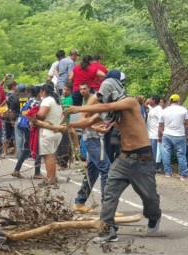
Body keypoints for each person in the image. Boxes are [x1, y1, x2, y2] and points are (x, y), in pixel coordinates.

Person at [64, 75, 162, 243]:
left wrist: (78, 109)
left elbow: (107, 105)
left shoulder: (130, 102)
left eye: (104, 93)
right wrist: (62, 125)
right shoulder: (110, 113)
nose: (102, 97)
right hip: (123, 158)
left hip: (142, 158)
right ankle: (108, 229)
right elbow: (87, 122)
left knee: (149, 198)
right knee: (109, 193)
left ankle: (154, 215)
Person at [71, 85, 111, 214]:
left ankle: (79, 202)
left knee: (93, 171)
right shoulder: (95, 98)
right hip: (92, 138)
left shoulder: (108, 98)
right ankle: (107, 207)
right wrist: (96, 127)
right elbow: (83, 119)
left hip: (99, 138)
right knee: (106, 169)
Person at [34, 83, 63, 185]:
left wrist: (34, 115)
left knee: (48, 156)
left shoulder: (47, 100)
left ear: (44, 92)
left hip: (48, 131)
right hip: (57, 131)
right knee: (51, 155)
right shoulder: (57, 101)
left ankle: (50, 178)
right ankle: (53, 177)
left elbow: (41, 115)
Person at [159, 94, 188, 181]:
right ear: (178, 101)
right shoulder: (183, 110)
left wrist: (160, 135)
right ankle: (183, 175)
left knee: (166, 154)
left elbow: (161, 125)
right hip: (179, 135)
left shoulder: (164, 111)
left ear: (170, 101)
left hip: (166, 134)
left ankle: (168, 173)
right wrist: (183, 124)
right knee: (181, 155)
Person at [12, 85, 41, 178]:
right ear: (39, 93)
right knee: (37, 148)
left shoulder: (29, 101)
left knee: (27, 148)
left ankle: (17, 169)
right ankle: (37, 172)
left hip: (25, 127)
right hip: (32, 128)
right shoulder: (37, 102)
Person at [146, 95, 163, 173]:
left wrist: (160, 134)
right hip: (150, 134)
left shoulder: (159, 110)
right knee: (151, 151)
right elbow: (144, 105)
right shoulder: (152, 108)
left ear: (154, 100)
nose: (149, 100)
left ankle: (156, 167)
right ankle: (151, 166)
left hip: (155, 135)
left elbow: (161, 122)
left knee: (155, 152)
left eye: (150, 99)